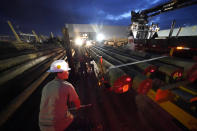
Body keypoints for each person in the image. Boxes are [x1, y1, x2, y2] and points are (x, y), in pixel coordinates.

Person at [39, 60, 81, 131]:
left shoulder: (46, 86)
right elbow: (77, 104)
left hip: (42, 126)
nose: (68, 72)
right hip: (58, 125)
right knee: (80, 122)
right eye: (66, 71)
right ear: (59, 73)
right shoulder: (67, 86)